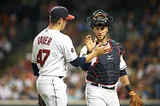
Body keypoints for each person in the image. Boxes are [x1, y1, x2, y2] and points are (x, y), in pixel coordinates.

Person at [31, 6, 109, 106]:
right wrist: (95, 53)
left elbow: (35, 67)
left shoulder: (38, 37)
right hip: (53, 82)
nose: (66, 23)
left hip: (42, 82)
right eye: (65, 20)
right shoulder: (62, 38)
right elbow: (76, 62)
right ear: (60, 21)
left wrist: (42, 88)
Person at [80, 9, 144, 106]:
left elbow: (121, 71)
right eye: (97, 28)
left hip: (113, 92)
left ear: (107, 29)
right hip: (95, 91)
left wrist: (130, 92)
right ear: (93, 29)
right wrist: (90, 52)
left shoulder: (116, 47)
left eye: (102, 28)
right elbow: (85, 68)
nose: (100, 31)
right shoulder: (87, 48)